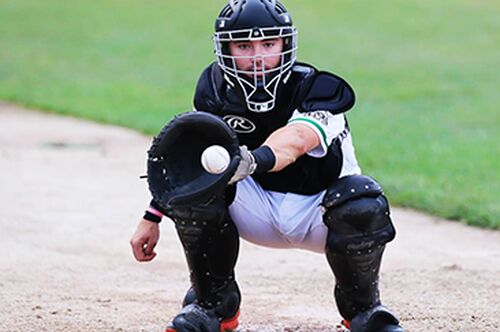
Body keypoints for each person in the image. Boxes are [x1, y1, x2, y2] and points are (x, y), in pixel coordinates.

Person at [130, 1, 404, 331]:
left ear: (286, 45)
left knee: (362, 199)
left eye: (268, 44)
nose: (258, 56)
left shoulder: (318, 89)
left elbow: (296, 140)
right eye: (244, 45)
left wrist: (251, 161)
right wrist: (153, 215)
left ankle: (363, 310)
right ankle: (214, 305)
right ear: (224, 48)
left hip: (320, 212)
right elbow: (192, 159)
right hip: (254, 207)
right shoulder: (214, 90)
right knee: (200, 188)